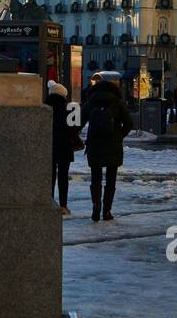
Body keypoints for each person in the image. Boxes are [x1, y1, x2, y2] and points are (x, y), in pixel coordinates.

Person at [82, 73, 132, 222]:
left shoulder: (91, 102)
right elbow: (129, 124)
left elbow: (79, 121)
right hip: (113, 145)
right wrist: (119, 136)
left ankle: (95, 208)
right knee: (111, 179)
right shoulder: (117, 102)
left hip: (94, 144)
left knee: (95, 178)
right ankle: (107, 211)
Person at [45, 80, 77, 215]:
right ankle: (63, 205)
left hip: (48, 146)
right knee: (63, 176)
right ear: (64, 94)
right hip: (65, 146)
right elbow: (75, 129)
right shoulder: (71, 108)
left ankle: (49, 202)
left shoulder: (44, 107)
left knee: (49, 176)